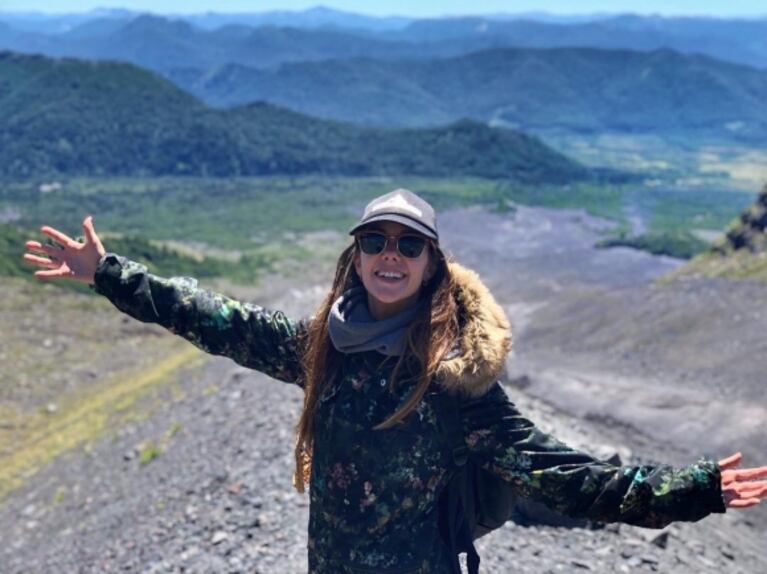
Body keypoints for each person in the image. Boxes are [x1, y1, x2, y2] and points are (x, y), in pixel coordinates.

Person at [23, 189, 767, 574]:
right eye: (373, 241)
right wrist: (108, 274)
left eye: (407, 245)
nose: (389, 254)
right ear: (354, 258)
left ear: (430, 265)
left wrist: (694, 489)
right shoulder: (323, 350)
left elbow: (570, 478)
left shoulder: (456, 387)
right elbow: (214, 318)